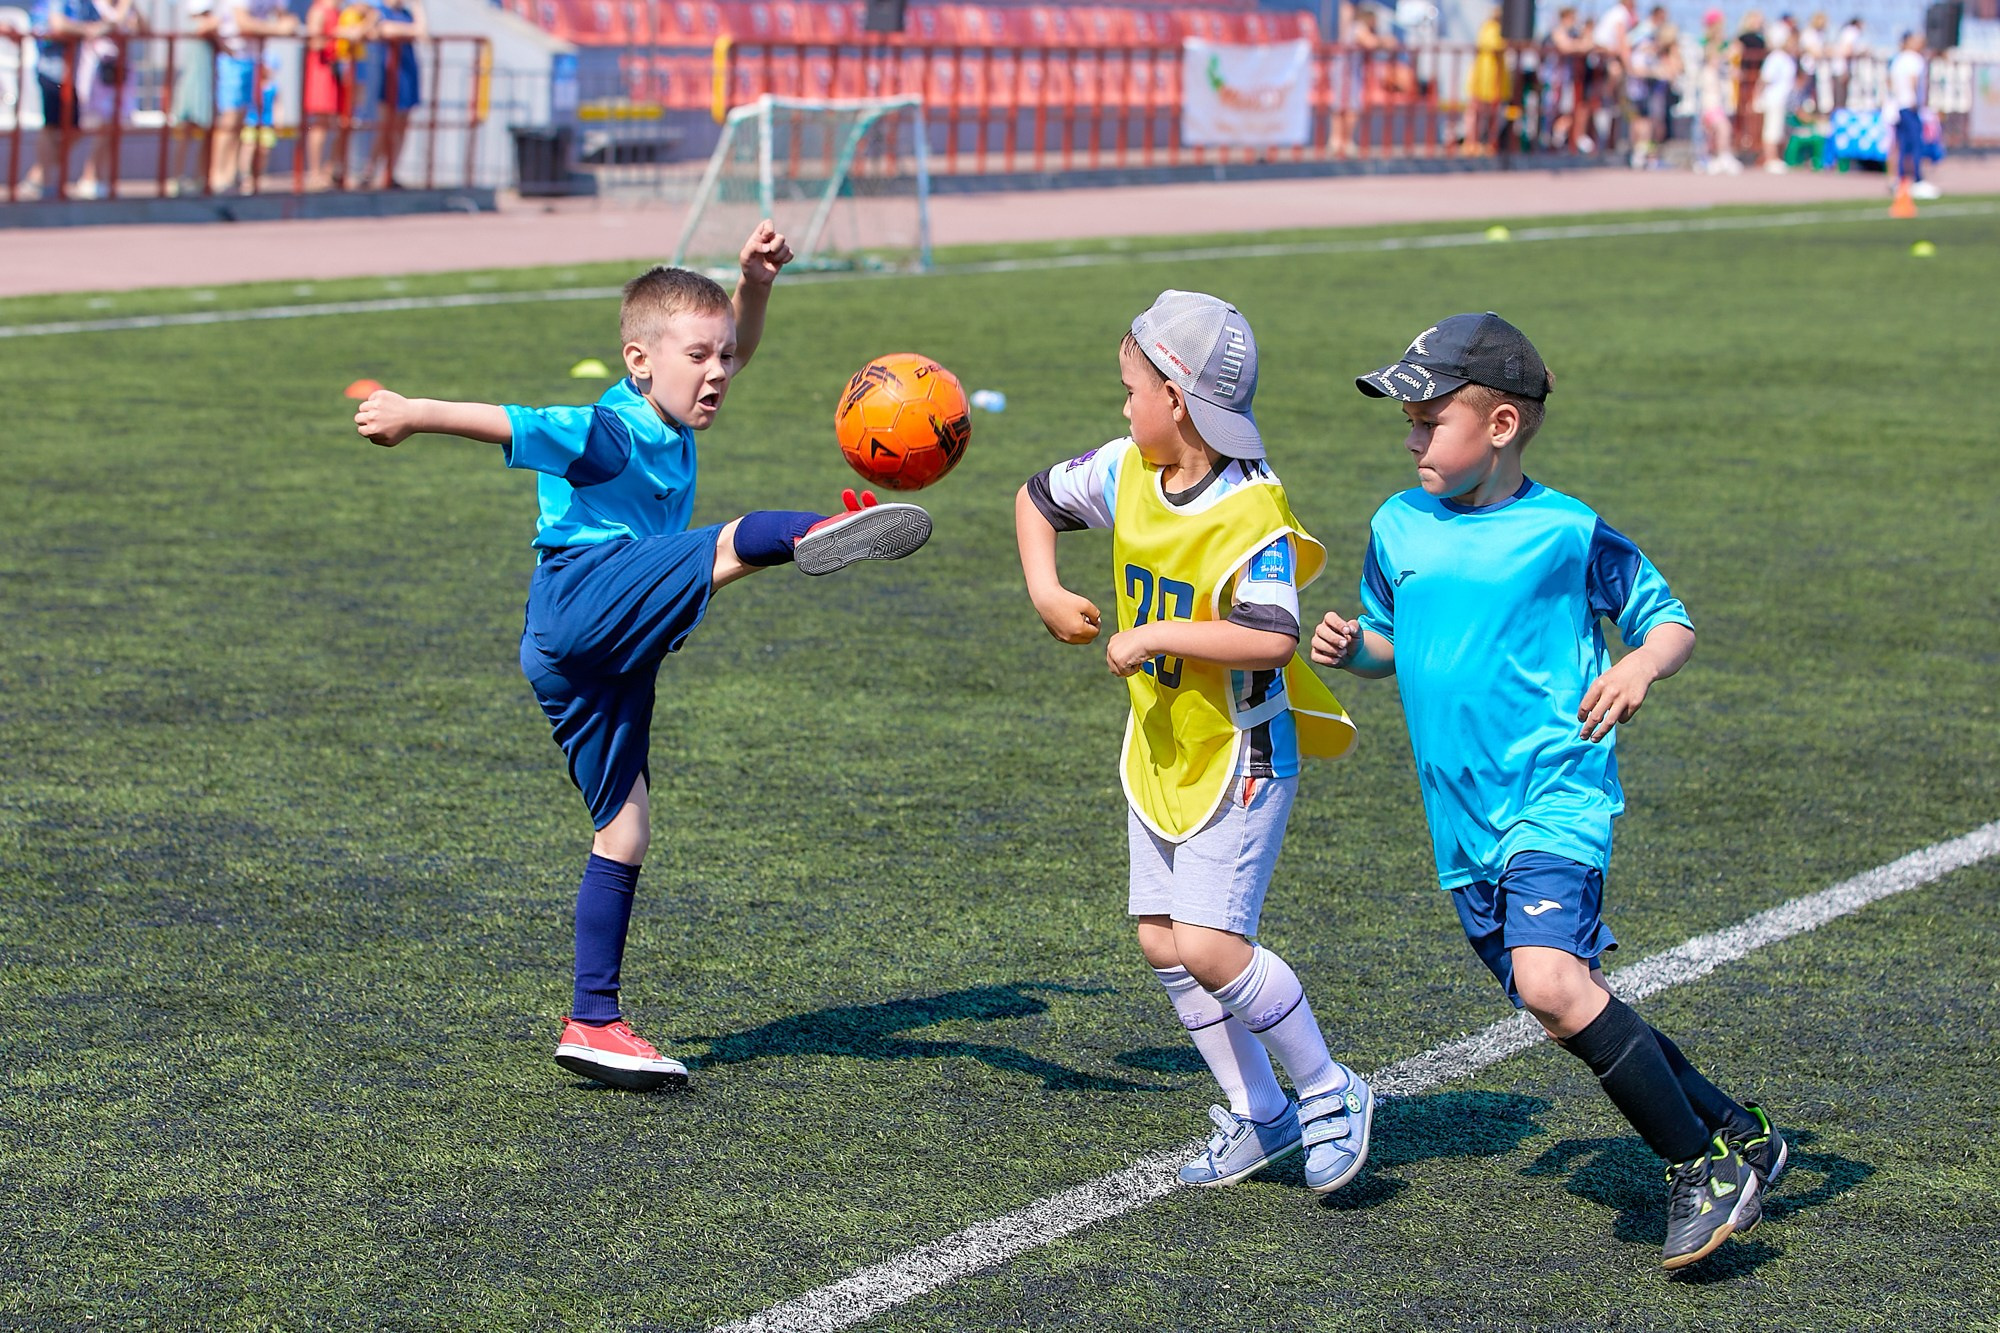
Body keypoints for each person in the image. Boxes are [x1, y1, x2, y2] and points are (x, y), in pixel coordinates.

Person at [351, 223, 936, 1091]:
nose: (718, 372)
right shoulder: (609, 432)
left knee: (625, 831)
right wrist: (410, 413)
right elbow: (509, 421)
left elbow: (730, 340)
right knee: (730, 541)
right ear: (638, 361)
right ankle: (819, 531)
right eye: (698, 356)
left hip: (598, 653)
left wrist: (754, 284)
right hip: (585, 601)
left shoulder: (679, 402)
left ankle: (593, 1020)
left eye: (725, 358)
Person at [1309, 312, 1787, 1269]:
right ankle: (1745, 1133)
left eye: (1428, 419)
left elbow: (1670, 620)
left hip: (1554, 795)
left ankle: (1701, 1168)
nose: (1410, 440)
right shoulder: (1394, 524)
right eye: (1405, 422)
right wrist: (1346, 647)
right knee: (1562, 999)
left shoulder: (1566, 531)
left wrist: (1642, 668)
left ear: (1499, 426)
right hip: (1460, 822)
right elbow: (1392, 641)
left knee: (1551, 981)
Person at [1013, 290, 1372, 1195]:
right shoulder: (1129, 466)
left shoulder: (1253, 509)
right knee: (1163, 942)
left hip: (1239, 754)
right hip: (1162, 746)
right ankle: (1261, 1115)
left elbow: (1271, 637)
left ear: (1176, 398)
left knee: (1212, 945)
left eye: (1131, 389)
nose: (1123, 407)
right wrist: (1047, 592)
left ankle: (1331, 1090)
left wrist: (1156, 637)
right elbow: (1034, 498)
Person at [210, 0, 298, 193]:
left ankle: (230, 175)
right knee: (229, 117)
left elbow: (285, 18)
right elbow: (243, 22)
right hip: (232, 56)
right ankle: (217, 175)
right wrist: (277, 29)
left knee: (241, 118)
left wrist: (289, 23)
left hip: (254, 57)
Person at [22, 0, 103, 199]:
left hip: (73, 74)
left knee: (73, 128)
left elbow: (103, 22)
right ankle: (40, 179)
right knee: (51, 125)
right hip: (50, 70)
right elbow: (58, 23)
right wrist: (86, 30)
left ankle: (38, 174)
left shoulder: (85, 3)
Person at [302, 0, 372, 189]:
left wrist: (366, 16)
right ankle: (314, 173)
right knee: (321, 123)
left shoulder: (342, 12)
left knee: (344, 122)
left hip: (341, 71)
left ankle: (331, 170)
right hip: (323, 70)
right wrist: (340, 34)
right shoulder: (319, 10)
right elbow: (315, 42)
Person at [367, 0, 422, 188]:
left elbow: (422, 32)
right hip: (389, 74)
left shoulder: (408, 13)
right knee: (385, 127)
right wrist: (410, 29)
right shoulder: (379, 11)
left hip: (408, 73)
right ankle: (370, 171)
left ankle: (390, 173)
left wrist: (418, 9)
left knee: (402, 127)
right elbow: (385, 30)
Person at [166, 0, 217, 196]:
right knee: (185, 130)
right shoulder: (194, 25)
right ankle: (176, 178)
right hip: (191, 83)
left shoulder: (209, 28)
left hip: (204, 84)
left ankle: (200, 177)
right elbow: (208, 26)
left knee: (206, 132)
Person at [1887, 30, 1937, 200]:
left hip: (1898, 105)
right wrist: (1917, 100)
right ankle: (1916, 179)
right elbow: (1914, 80)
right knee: (1916, 143)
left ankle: (1901, 180)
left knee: (1902, 144)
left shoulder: (1898, 59)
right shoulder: (1914, 59)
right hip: (1910, 105)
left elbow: (1890, 81)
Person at [1462, 5, 1509, 156]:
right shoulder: (1490, 28)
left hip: (1494, 79)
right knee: (1476, 111)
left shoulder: (1497, 28)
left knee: (1493, 114)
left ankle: (1488, 143)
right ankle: (1471, 142)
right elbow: (1495, 45)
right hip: (1484, 78)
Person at [1755, 31, 1798, 171]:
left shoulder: (1787, 58)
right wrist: (1756, 97)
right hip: (1773, 98)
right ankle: (1770, 159)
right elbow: (1764, 79)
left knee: (1779, 130)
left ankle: (1776, 158)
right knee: (1771, 130)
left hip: (1784, 100)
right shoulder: (1775, 57)